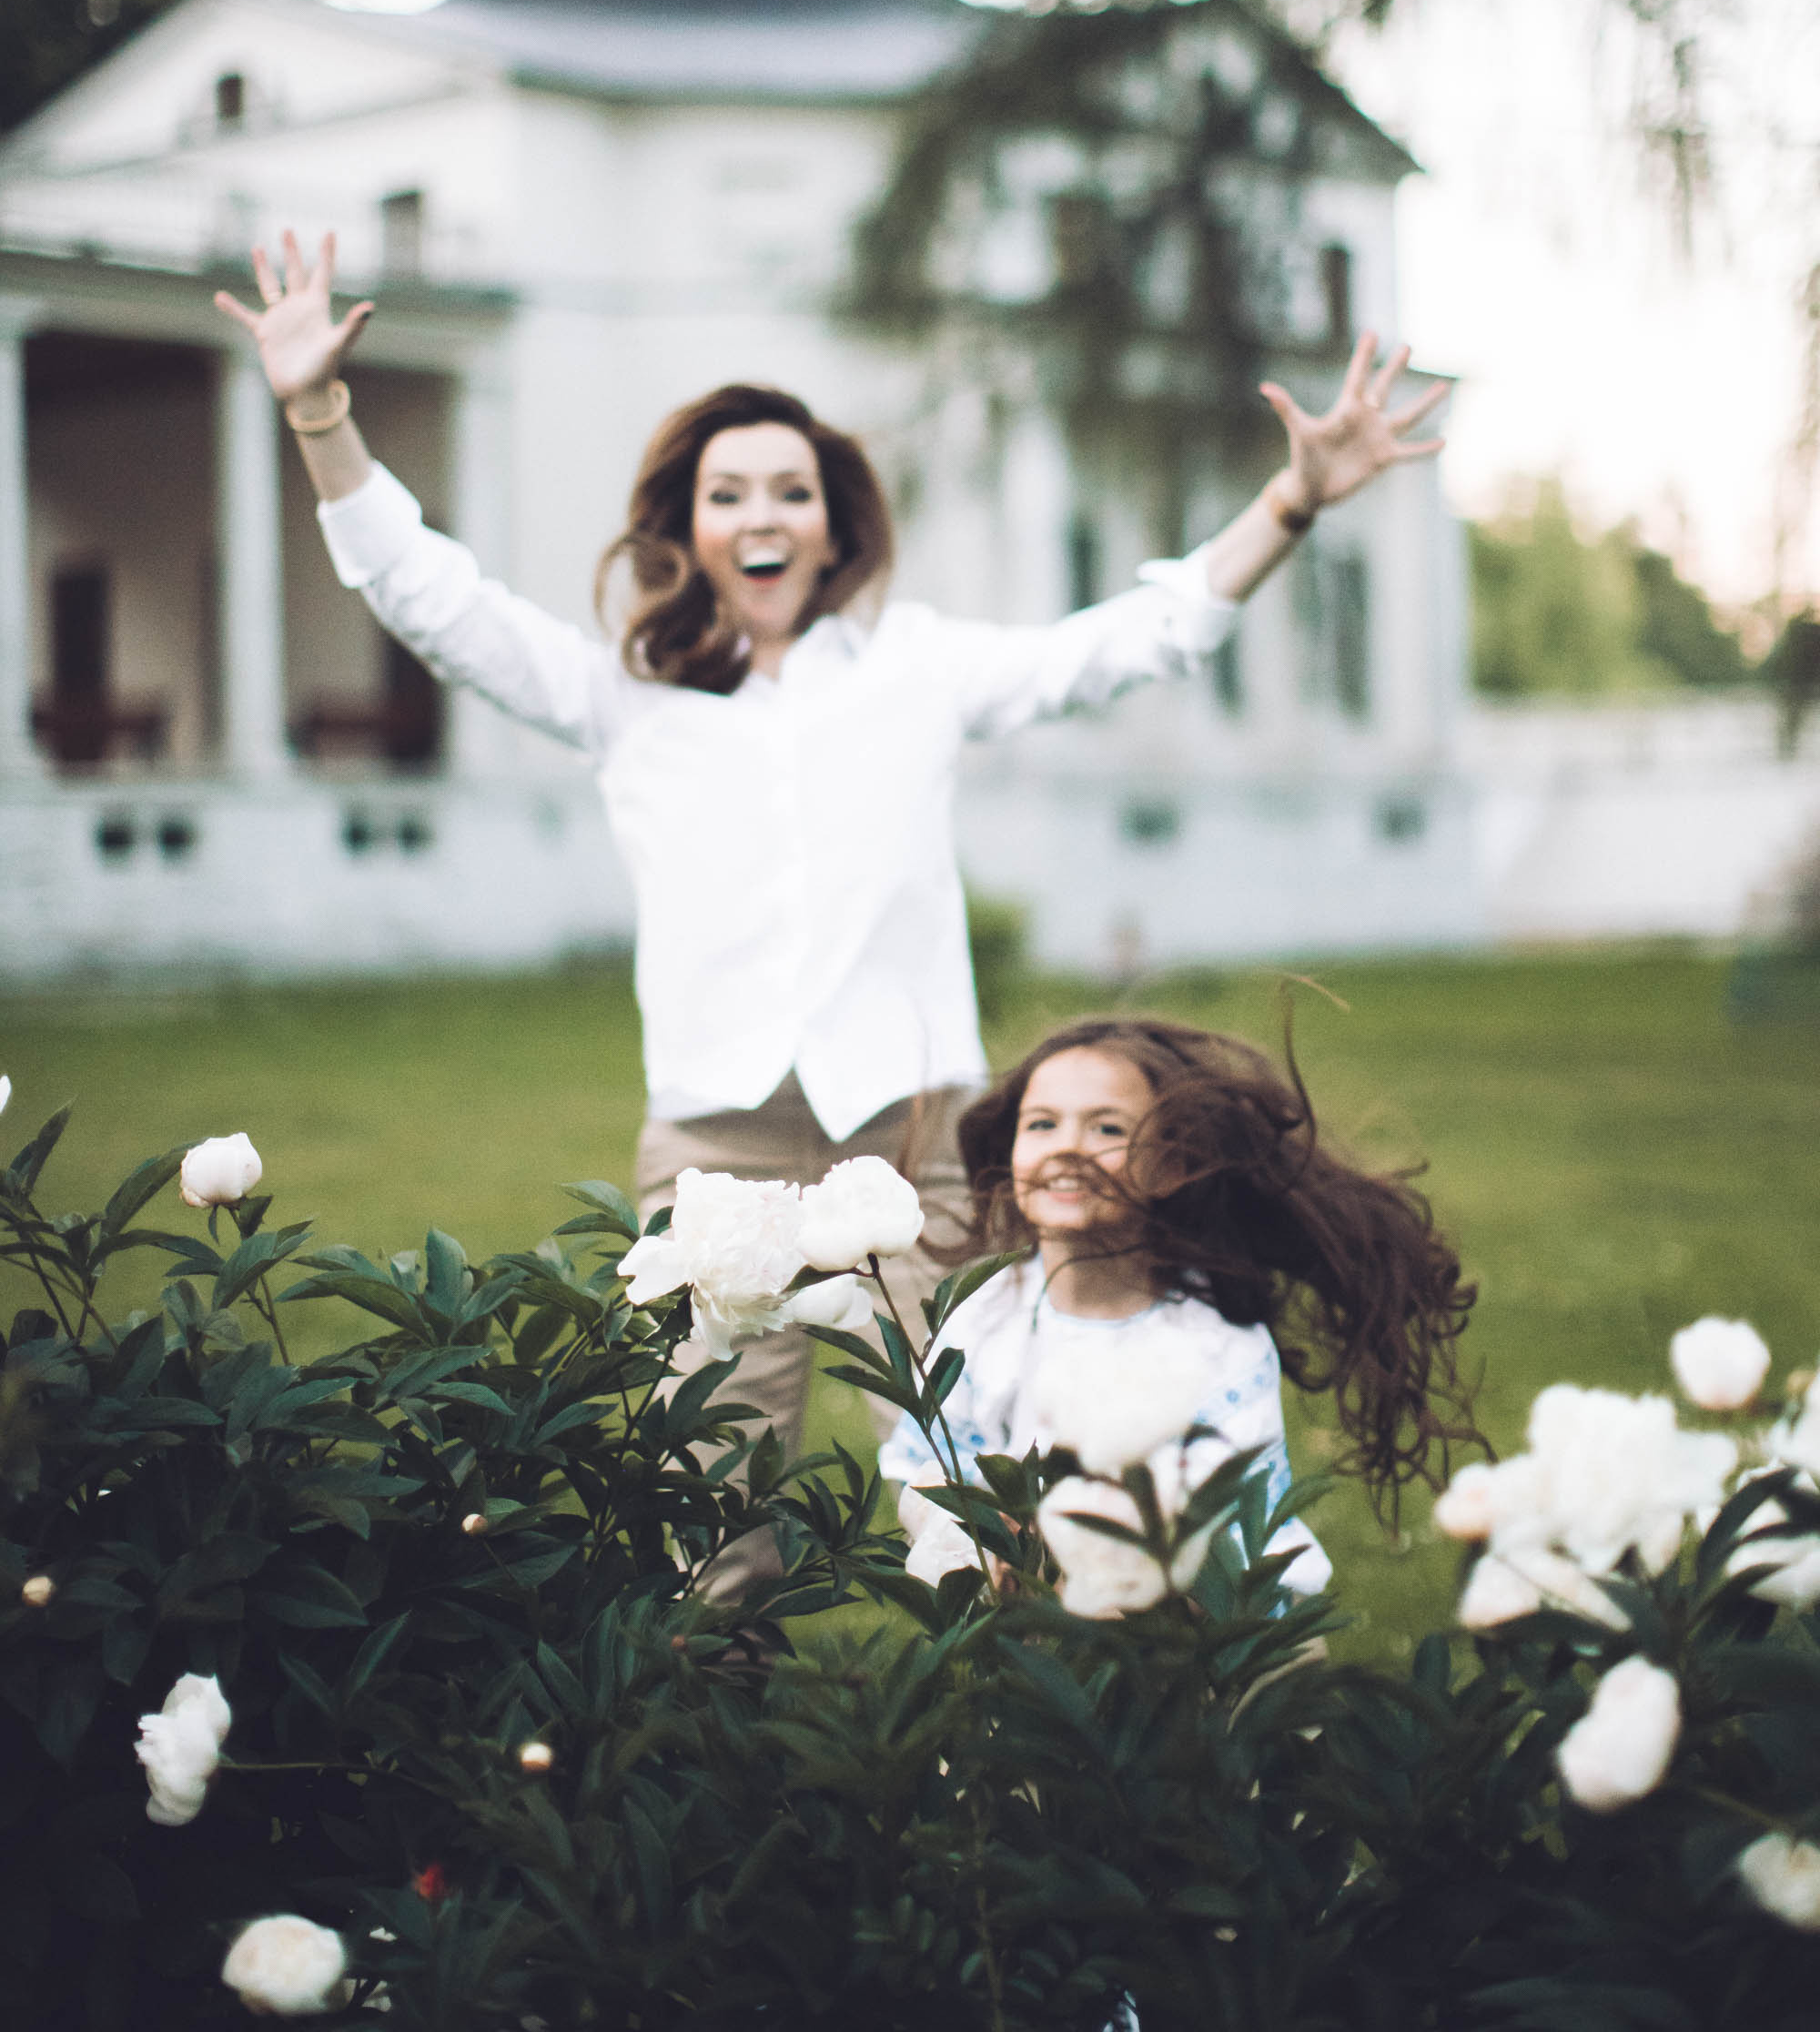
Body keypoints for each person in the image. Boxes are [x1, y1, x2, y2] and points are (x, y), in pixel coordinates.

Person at [217, 231, 1448, 1473]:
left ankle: (1015, 1657)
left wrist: (1291, 501)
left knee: (971, 1474)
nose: (765, 517)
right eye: (730, 494)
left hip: (916, 1140)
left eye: (791, 491)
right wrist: (319, 408)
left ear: (832, 523)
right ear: (687, 529)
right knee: (709, 1502)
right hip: (716, 1147)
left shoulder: (918, 669)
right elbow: (430, 594)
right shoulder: (619, 698)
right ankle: (717, 1664)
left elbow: (1132, 639)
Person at [879, 1015, 1480, 1595]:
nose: (1067, 1148)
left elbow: (1227, 1547)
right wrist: (967, 1536)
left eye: (1107, 1129)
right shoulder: (986, 1313)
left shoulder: (1214, 1345)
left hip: (1201, 1627)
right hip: (1025, 1616)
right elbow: (919, 1465)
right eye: (1042, 1125)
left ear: (1173, 1163)